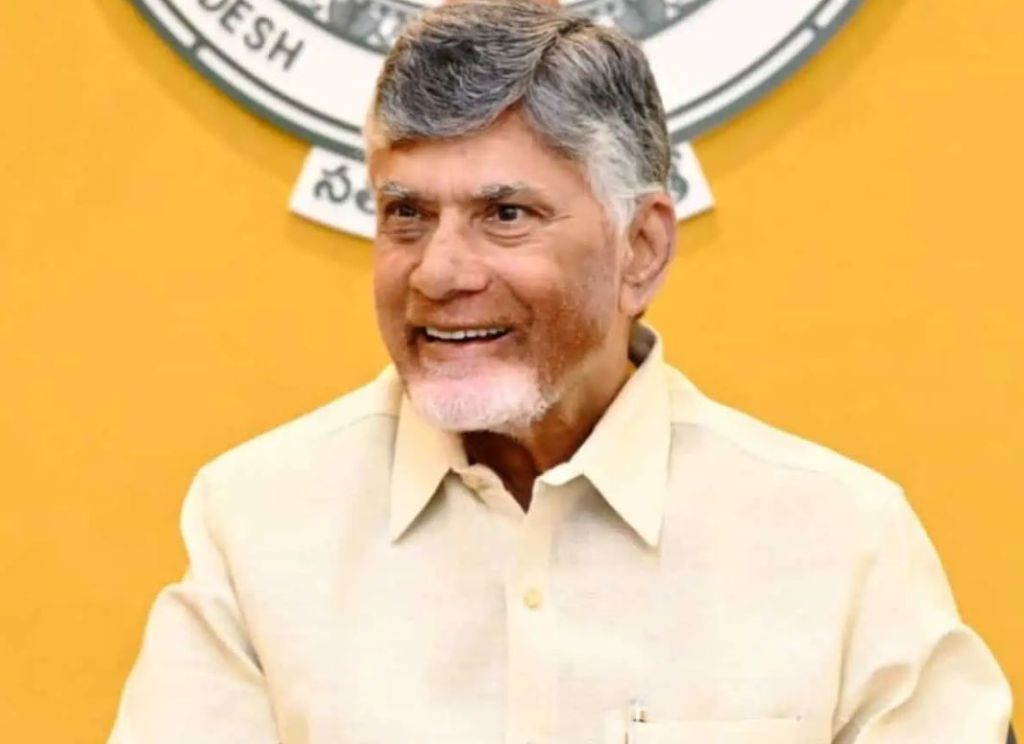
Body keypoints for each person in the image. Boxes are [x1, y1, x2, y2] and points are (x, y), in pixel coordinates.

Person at [107, 1, 1013, 742]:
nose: (437, 272)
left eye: (505, 214)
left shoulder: (843, 541)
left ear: (640, 249)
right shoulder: (256, 524)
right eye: (406, 214)